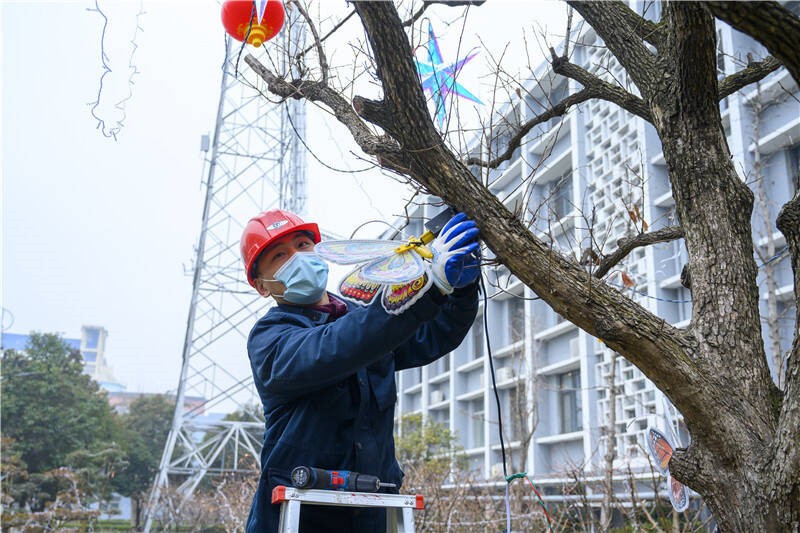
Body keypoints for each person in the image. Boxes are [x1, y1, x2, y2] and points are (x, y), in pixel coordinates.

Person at [240, 208, 481, 532]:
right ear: (261, 285)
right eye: (280, 255)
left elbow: (431, 335)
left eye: (302, 245)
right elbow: (334, 347)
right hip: (301, 512)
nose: (297, 257)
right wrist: (425, 287)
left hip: (373, 504)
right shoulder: (270, 337)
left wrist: (460, 291)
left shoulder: (366, 318)